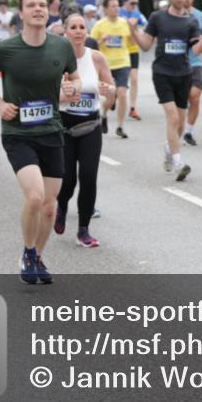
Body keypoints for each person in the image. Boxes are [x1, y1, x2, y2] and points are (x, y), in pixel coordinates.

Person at [0, 0, 80, 285]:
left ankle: (37, 256)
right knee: (34, 197)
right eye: (31, 5)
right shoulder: (6, 49)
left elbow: (73, 77)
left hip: (51, 130)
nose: (38, 9)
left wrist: (72, 87)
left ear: (49, 12)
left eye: (42, 5)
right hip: (18, 133)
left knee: (49, 207)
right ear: (21, 13)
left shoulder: (61, 46)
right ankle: (26, 251)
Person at [131, 0, 202, 179]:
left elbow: (196, 49)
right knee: (173, 117)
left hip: (184, 73)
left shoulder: (191, 21)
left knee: (180, 121)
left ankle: (169, 150)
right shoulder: (157, 17)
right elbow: (145, 45)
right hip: (162, 73)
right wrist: (132, 30)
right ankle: (179, 163)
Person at [55, 13, 114, 248]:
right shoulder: (57, 59)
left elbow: (112, 89)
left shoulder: (96, 58)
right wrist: (64, 95)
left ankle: (83, 230)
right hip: (64, 125)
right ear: (66, 32)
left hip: (90, 125)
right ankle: (61, 206)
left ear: (87, 32)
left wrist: (106, 90)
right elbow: (47, 95)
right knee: (67, 179)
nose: (78, 31)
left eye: (82, 27)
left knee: (88, 177)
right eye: (73, 27)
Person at [90, 0, 132, 138]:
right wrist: (102, 40)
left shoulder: (124, 23)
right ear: (106, 9)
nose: (116, 8)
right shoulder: (99, 25)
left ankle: (120, 126)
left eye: (117, 6)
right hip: (106, 64)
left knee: (122, 93)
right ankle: (103, 112)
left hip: (122, 62)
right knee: (110, 95)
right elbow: (91, 44)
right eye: (113, 6)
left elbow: (131, 41)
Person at [183, 0, 202, 146]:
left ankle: (188, 132)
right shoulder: (171, 16)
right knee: (183, 98)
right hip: (178, 63)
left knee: (196, 96)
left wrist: (201, 38)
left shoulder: (200, 16)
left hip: (196, 61)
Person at [119, 0, 147, 121]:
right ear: (125, 2)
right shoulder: (118, 13)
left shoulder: (138, 14)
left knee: (134, 79)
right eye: (132, 3)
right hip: (119, 50)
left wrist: (137, 28)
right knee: (118, 81)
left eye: (136, 3)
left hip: (133, 49)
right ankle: (114, 96)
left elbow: (146, 27)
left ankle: (133, 108)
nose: (134, 6)